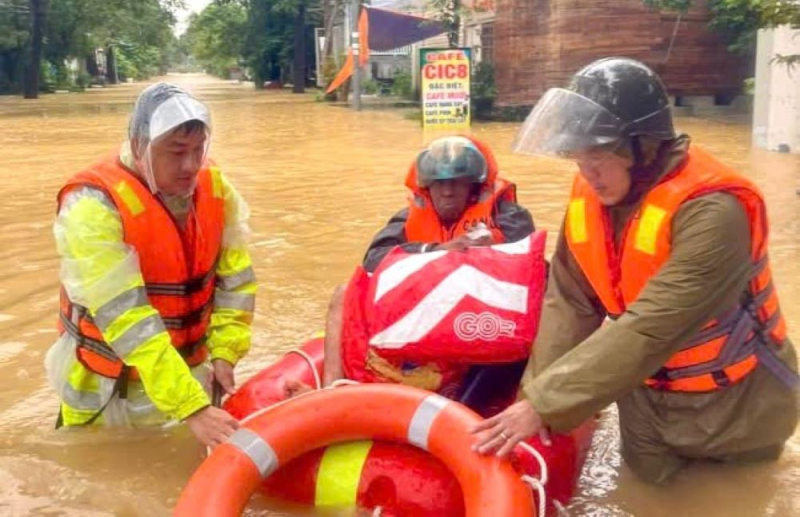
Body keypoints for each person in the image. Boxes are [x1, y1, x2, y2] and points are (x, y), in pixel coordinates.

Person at [472, 57, 799, 483]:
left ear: (645, 146)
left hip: (737, 406)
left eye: (600, 155)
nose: (588, 173)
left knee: (738, 498)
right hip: (646, 403)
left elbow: (652, 326)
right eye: (577, 157)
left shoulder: (715, 211)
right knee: (641, 497)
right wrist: (533, 397)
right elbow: (569, 301)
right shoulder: (593, 193)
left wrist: (545, 404)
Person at [46, 83, 257, 448]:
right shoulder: (92, 205)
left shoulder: (216, 187)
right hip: (106, 390)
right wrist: (191, 407)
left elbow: (236, 282)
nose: (190, 165)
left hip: (185, 374)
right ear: (140, 145)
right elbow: (127, 321)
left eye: (197, 150)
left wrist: (226, 351)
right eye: (176, 152)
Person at [319, 136, 535, 405]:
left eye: (456, 182)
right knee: (344, 292)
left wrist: (492, 250)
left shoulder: (509, 217)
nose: (447, 192)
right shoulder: (406, 218)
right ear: (427, 188)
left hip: (479, 320)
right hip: (427, 318)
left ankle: (497, 405)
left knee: (540, 306)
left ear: (473, 187)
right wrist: (438, 250)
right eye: (440, 183)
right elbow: (374, 260)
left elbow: (531, 269)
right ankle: (328, 393)